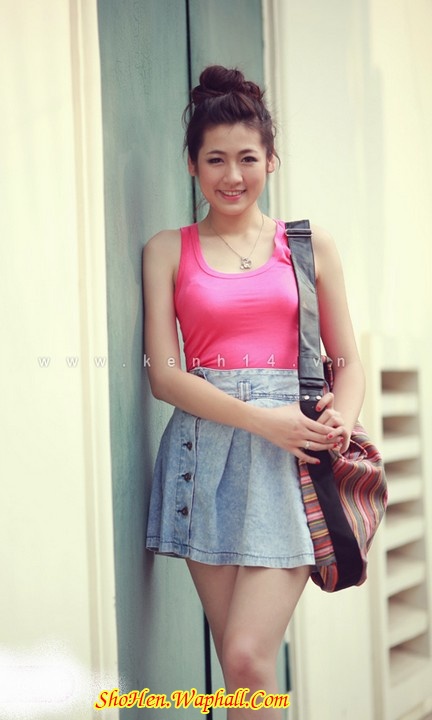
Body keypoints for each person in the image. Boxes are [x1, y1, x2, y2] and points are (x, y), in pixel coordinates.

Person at [143, 65, 365, 718]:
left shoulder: (308, 246)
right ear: (192, 165)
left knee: (245, 655)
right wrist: (265, 421)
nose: (232, 175)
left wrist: (341, 420)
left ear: (271, 159)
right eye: (215, 159)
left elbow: (348, 363)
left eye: (247, 158)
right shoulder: (167, 250)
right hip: (201, 455)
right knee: (239, 667)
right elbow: (164, 374)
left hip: (288, 464)